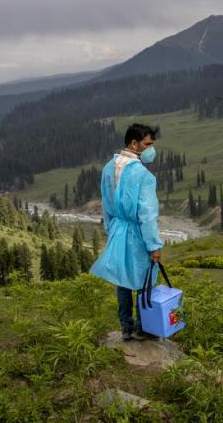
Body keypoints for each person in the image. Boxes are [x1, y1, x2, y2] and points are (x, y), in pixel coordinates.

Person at [90, 123, 163, 341]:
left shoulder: (108, 168)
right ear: (134, 143)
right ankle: (143, 327)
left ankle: (126, 327)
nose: (151, 149)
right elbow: (147, 215)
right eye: (148, 144)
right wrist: (154, 245)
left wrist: (111, 230)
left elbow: (106, 204)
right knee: (143, 278)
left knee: (122, 279)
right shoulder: (143, 175)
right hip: (137, 232)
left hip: (117, 230)